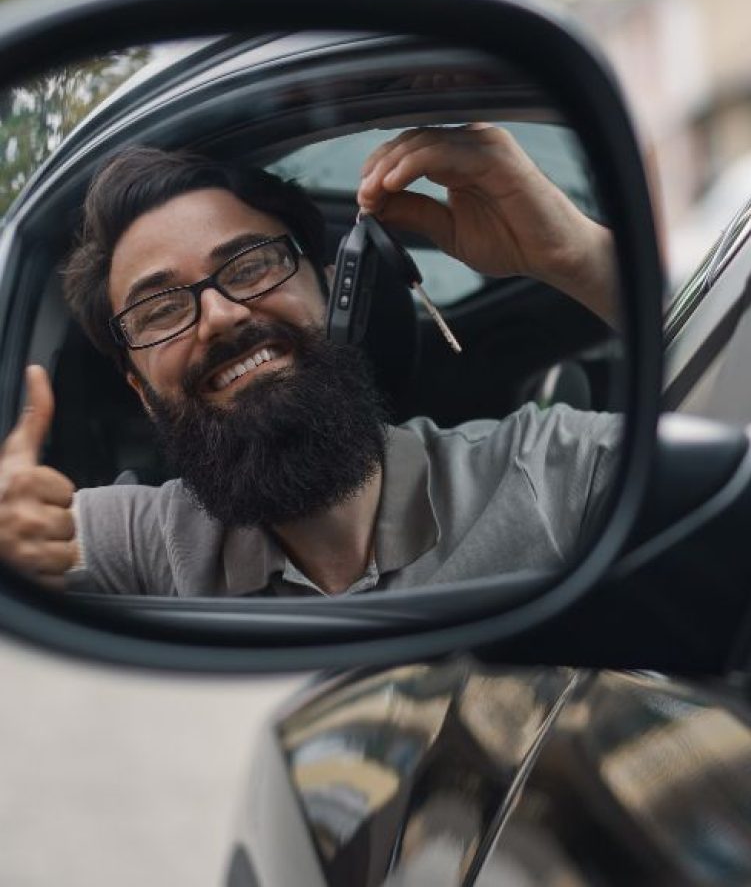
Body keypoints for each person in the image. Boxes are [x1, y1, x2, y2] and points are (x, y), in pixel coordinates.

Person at [0, 124, 621, 596]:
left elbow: (719, 432)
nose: (220, 315)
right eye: (160, 309)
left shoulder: (540, 468)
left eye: (249, 266)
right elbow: (39, 538)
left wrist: (572, 254)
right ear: (141, 390)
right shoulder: (144, 541)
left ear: (331, 293)